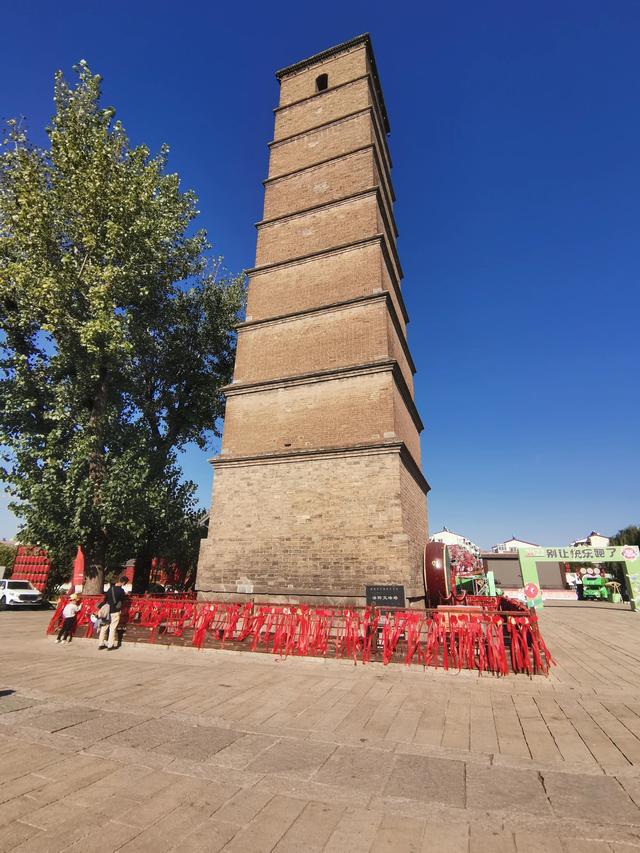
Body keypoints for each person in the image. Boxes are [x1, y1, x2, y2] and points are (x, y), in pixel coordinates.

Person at [97, 576, 128, 651]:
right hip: (115, 611)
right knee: (112, 628)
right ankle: (110, 645)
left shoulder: (110, 589)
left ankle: (101, 644)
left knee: (104, 627)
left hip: (107, 611)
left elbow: (105, 599)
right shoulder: (121, 591)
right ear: (123, 582)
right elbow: (123, 600)